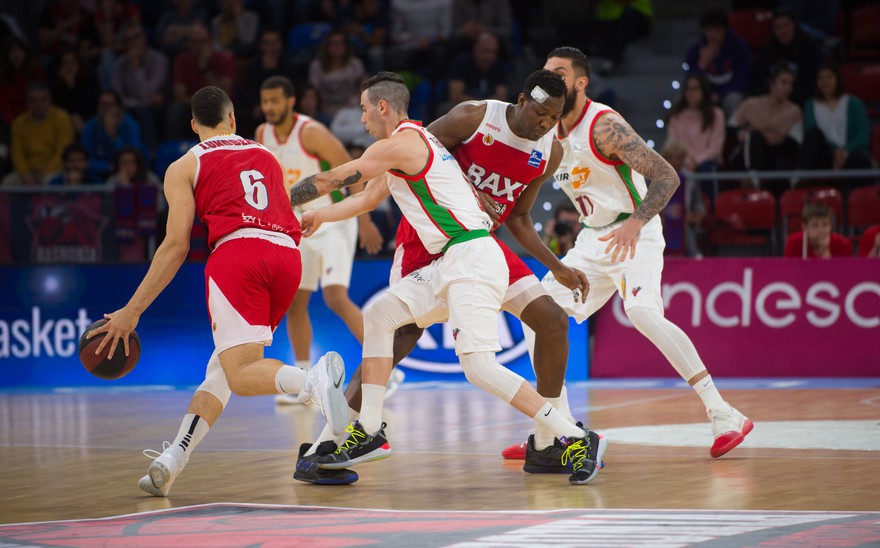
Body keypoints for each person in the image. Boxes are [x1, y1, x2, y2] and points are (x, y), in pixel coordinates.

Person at [288, 71, 605, 486]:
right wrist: (315, 215)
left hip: (470, 249)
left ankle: (570, 436)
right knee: (382, 316)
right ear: (523, 99)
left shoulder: (408, 141)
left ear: (382, 107)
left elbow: (335, 178)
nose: (546, 123)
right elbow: (370, 193)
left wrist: (278, 203)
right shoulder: (468, 119)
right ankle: (363, 431)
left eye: (364, 109)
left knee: (484, 363)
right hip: (442, 249)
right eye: (541, 112)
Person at [87, 85, 350, 497]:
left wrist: (131, 311)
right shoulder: (265, 154)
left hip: (239, 255)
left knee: (242, 374)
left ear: (194, 125)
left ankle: (313, 382)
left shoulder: (183, 166)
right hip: (286, 257)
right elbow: (286, 200)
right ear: (232, 120)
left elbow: (175, 246)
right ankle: (173, 458)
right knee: (223, 367)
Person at [533, 46, 752, 459]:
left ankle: (723, 412)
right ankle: (555, 430)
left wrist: (635, 222)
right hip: (592, 239)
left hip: (636, 230)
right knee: (539, 315)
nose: (551, 78)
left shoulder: (604, 125)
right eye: (546, 72)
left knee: (643, 313)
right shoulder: (547, 132)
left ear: (581, 82)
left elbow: (666, 175)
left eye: (560, 72)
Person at [254, 75, 384, 405]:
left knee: (335, 297)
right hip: (297, 226)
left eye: (275, 101)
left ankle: (386, 366)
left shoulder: (311, 132)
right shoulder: (261, 134)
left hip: (333, 220)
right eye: (265, 101)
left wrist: (365, 219)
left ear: (291, 101)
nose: (269, 107)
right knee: (295, 301)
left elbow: (353, 171)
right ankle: (302, 379)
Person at [797, 63, 873, 172]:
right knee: (814, 134)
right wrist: (834, 151)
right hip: (824, 155)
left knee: (861, 162)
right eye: (821, 78)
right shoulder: (810, 105)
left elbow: (863, 133)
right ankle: (798, 177)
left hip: (851, 153)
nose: (825, 82)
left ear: (837, 79)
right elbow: (810, 130)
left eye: (829, 77)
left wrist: (845, 151)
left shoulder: (853, 102)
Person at [732, 64, 802, 172]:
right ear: (772, 83)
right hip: (749, 152)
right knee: (755, 137)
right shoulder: (751, 104)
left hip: (776, 154)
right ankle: (751, 176)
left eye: (791, 84)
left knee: (783, 162)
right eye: (784, 82)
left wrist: (781, 139)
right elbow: (731, 126)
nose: (788, 88)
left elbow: (797, 140)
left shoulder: (794, 111)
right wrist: (739, 132)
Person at [683, 7, 751, 116]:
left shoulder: (739, 47)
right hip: (704, 94)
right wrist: (702, 64)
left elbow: (742, 80)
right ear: (703, 30)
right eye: (709, 30)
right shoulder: (695, 50)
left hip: (729, 92)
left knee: (733, 99)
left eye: (717, 29)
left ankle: (732, 131)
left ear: (725, 29)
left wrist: (718, 95)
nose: (713, 34)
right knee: (683, 99)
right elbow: (690, 80)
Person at [3, 82, 73, 186]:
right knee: (7, 183)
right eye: (33, 100)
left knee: (49, 181)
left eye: (42, 100)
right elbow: (17, 154)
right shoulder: (19, 122)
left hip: (53, 171)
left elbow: (62, 152)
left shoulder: (62, 119)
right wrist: (26, 175)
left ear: (49, 100)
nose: (38, 104)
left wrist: (43, 175)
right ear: (27, 102)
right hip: (27, 172)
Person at [665, 73, 725, 178]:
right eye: (688, 89)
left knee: (706, 168)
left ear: (704, 91)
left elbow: (714, 148)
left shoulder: (716, 115)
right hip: (681, 163)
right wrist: (687, 162)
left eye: (695, 89)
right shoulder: (675, 117)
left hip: (706, 163)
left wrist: (696, 161)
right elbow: (674, 146)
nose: (690, 93)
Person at [80, 89, 142, 180]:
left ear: (119, 107)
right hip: (97, 173)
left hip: (126, 171)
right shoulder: (89, 127)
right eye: (103, 105)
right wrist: (108, 167)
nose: (106, 109)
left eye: (110, 105)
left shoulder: (131, 126)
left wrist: (114, 136)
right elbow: (86, 159)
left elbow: (132, 155)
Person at [308, 30, 366, 120]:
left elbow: (363, 87)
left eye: (341, 43)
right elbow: (313, 92)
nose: (337, 47)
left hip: (352, 108)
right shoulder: (316, 66)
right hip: (326, 111)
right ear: (327, 46)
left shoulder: (355, 64)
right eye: (334, 43)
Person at [445, 31, 508, 108]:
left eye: (494, 52)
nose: (490, 57)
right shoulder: (461, 63)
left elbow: (502, 98)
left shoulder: (497, 66)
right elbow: (455, 97)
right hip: (463, 110)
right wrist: (481, 105)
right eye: (486, 51)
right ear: (475, 49)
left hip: (488, 111)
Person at [783, 202, 852, 258]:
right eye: (815, 225)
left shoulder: (843, 244)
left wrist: (825, 250)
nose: (820, 230)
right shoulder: (793, 242)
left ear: (831, 225)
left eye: (825, 225)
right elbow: (789, 272)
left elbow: (839, 273)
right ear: (805, 227)